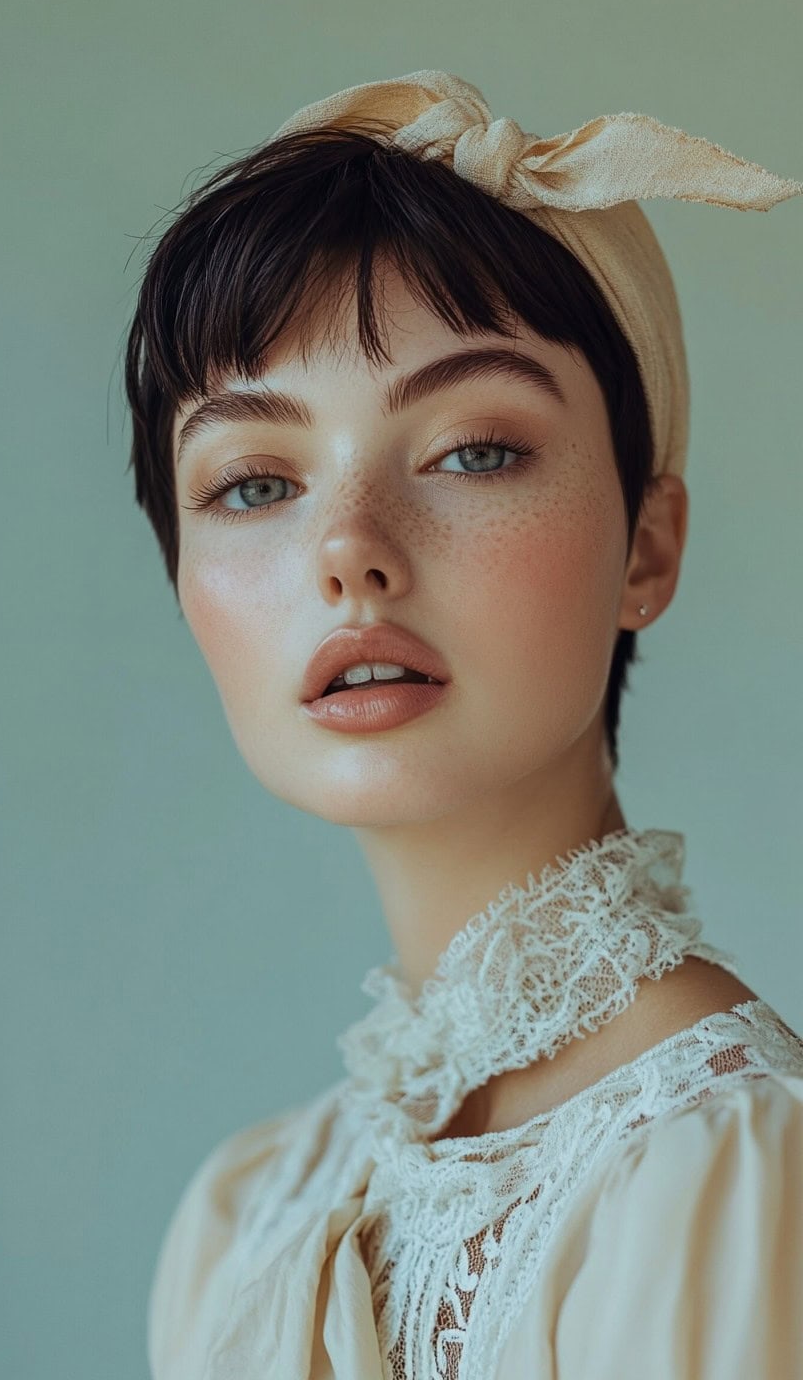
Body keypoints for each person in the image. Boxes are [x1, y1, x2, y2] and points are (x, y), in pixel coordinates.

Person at [123, 71, 803, 1379]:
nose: (348, 555)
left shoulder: (729, 1166)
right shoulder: (242, 1216)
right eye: (253, 480)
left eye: (471, 450)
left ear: (647, 547)